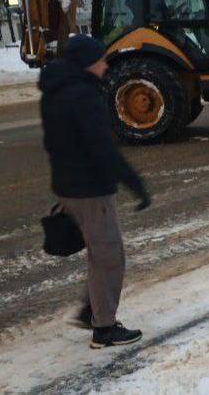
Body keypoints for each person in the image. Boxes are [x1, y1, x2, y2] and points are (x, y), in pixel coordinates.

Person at [38, 34, 151, 349]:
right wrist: (135, 184)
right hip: (91, 191)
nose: (105, 64)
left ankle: (92, 309)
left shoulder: (54, 92)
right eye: (100, 59)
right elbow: (104, 151)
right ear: (88, 63)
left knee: (98, 253)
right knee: (109, 258)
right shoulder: (84, 97)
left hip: (68, 187)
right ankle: (104, 328)